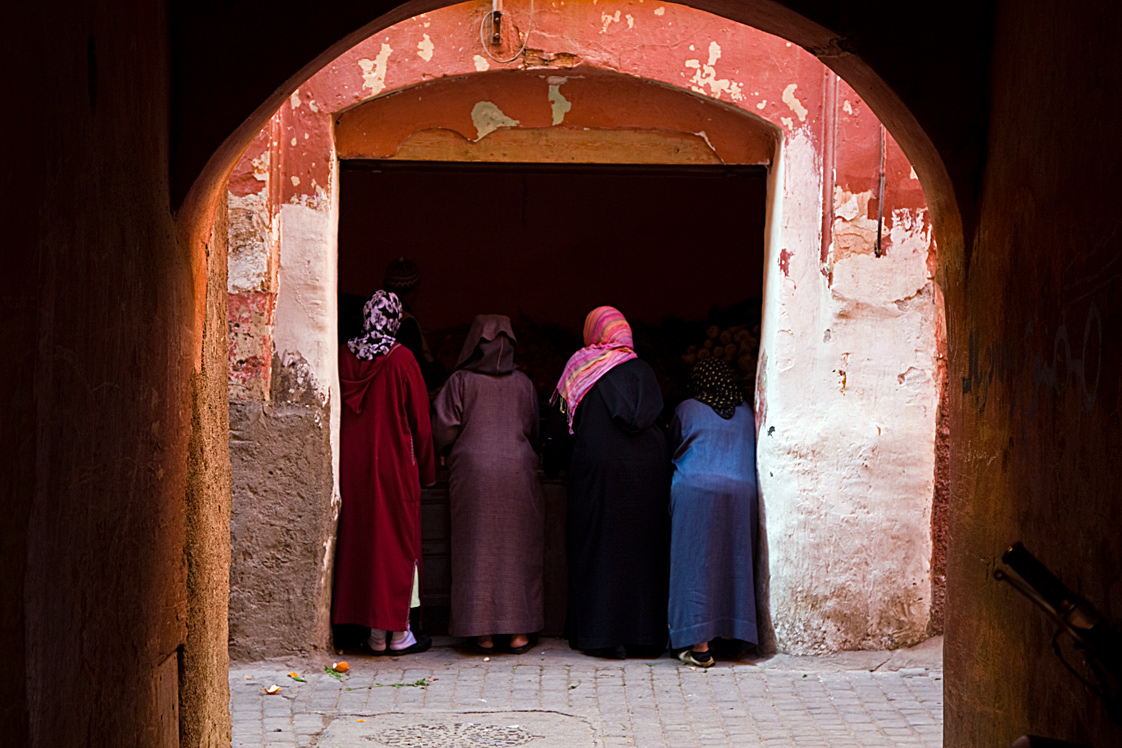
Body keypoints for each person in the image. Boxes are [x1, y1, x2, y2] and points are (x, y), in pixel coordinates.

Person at [553, 305, 671, 658]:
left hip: (598, 476)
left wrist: (554, 461)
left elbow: (560, 427)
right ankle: (643, 637)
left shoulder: (580, 366)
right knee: (643, 550)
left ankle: (600, 635)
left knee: (598, 547)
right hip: (647, 474)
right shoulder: (644, 371)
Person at [431, 315, 545, 654]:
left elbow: (443, 430)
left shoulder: (460, 381)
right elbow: (533, 429)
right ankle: (518, 634)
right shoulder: (523, 383)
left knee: (475, 549)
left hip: (473, 475)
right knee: (518, 548)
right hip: (517, 471)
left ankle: (481, 634)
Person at [332, 290, 437, 655]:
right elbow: (421, 425)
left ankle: (374, 635)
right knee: (397, 546)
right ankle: (398, 633)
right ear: (394, 320)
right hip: (394, 467)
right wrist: (428, 472)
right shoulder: (402, 360)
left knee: (363, 545)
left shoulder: (344, 356)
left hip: (352, 467)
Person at [667, 358, 759, 668]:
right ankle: (734, 636)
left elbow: (673, 446)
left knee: (694, 566)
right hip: (741, 494)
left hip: (696, 493)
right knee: (735, 565)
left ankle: (700, 646)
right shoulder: (747, 412)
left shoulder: (687, 409)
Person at [383, 256, 445, 390]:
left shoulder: (375, 314)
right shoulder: (406, 322)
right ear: (416, 287)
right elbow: (416, 371)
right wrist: (442, 366)